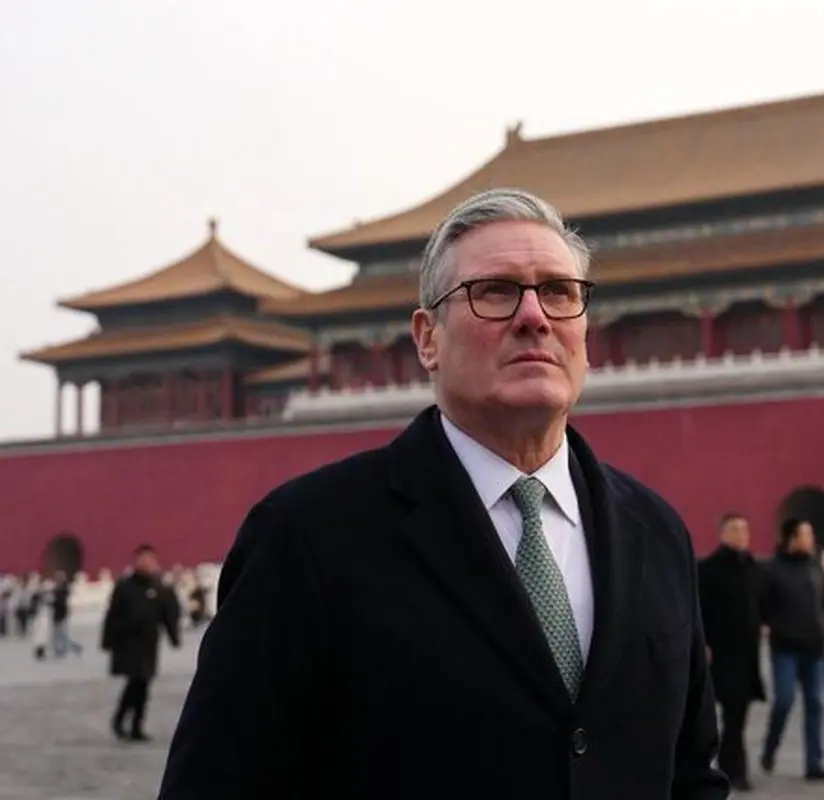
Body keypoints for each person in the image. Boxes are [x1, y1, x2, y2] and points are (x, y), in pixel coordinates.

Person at [158, 188, 728, 799]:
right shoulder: (309, 537)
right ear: (427, 338)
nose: (534, 316)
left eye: (560, 292)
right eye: (495, 292)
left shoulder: (655, 531)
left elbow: (691, 774)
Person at [759, 519, 824, 782]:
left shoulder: (815, 565)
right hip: (785, 647)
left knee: (815, 703)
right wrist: (776, 625)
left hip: (814, 647)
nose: (811, 539)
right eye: (806, 534)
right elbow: (763, 605)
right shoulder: (773, 569)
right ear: (791, 538)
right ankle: (770, 748)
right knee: (784, 700)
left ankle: (814, 763)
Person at [698, 512, 765, 792]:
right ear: (722, 533)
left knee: (737, 715)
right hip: (719, 654)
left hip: (747, 655)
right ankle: (730, 769)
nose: (741, 535)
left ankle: (732, 768)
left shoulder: (753, 567)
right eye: (735, 529)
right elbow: (698, 611)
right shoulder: (708, 569)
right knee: (718, 716)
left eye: (745, 529)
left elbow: (762, 604)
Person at [101, 544, 181, 741]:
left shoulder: (159, 587)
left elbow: (168, 614)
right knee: (136, 682)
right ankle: (125, 722)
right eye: (143, 559)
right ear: (135, 561)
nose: (146, 563)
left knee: (142, 684)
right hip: (128, 643)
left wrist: (173, 637)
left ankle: (132, 724)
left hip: (148, 643)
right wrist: (107, 640)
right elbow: (112, 614)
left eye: (150, 559)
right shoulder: (124, 586)